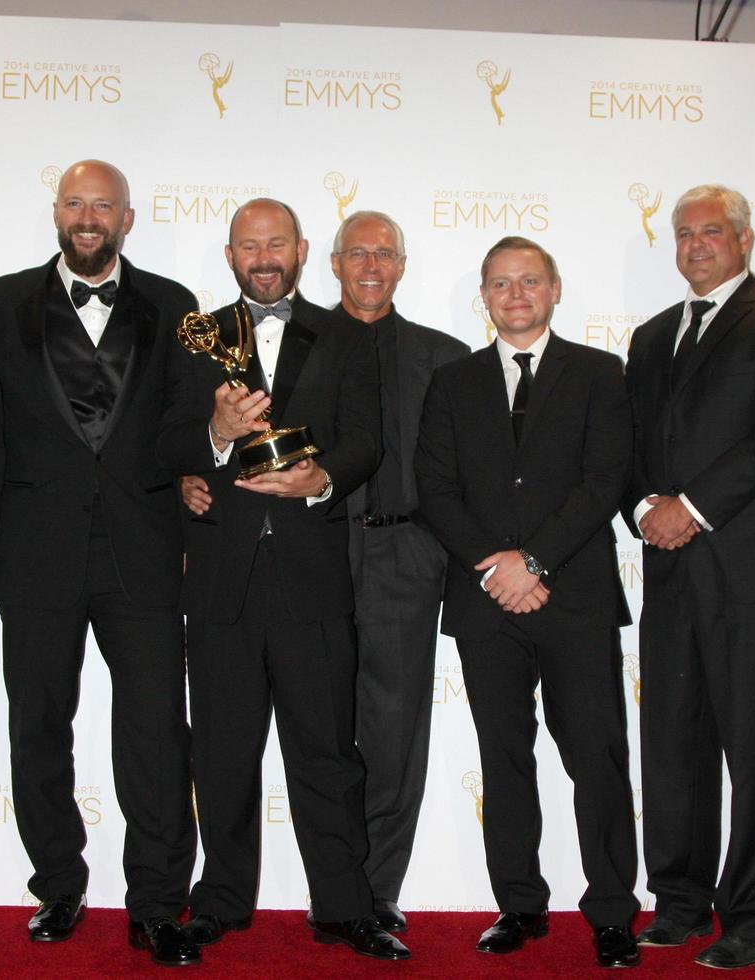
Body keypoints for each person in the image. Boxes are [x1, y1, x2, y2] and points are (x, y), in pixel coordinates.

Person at [180, 210, 467, 933]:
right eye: (250, 244)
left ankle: (346, 908)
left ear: (303, 253)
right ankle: (220, 903)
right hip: (225, 576)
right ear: (230, 254)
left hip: (313, 570)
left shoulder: (342, 333)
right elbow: (160, 444)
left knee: (326, 754)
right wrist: (213, 437)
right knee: (221, 751)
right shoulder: (194, 334)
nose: (264, 256)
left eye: (276, 243)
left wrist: (322, 479)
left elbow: (366, 439)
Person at [0, 160, 200, 966]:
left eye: (103, 204)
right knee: (37, 728)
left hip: (145, 550)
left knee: (159, 733)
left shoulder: (175, 306)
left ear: (128, 216)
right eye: (75, 202)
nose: (88, 216)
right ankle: (58, 884)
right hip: (33, 551)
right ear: (55, 212)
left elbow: (183, 425)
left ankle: (160, 902)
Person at [415, 236, 642, 969]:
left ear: (554, 289)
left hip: (572, 598)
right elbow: (436, 491)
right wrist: (497, 568)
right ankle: (518, 904)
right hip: (487, 603)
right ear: (484, 295)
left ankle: (611, 910)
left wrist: (534, 561)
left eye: (530, 281)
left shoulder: (600, 373)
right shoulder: (452, 383)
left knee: (598, 760)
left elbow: (603, 482)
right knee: (504, 758)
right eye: (501, 283)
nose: (516, 294)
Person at [621, 184, 755, 969]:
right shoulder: (648, 337)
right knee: (671, 746)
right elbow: (628, 442)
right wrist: (646, 504)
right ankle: (678, 902)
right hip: (670, 571)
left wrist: (693, 508)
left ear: (746, 238)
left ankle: (750, 915)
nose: (696, 245)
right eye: (684, 234)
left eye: (712, 231)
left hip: (752, 571)